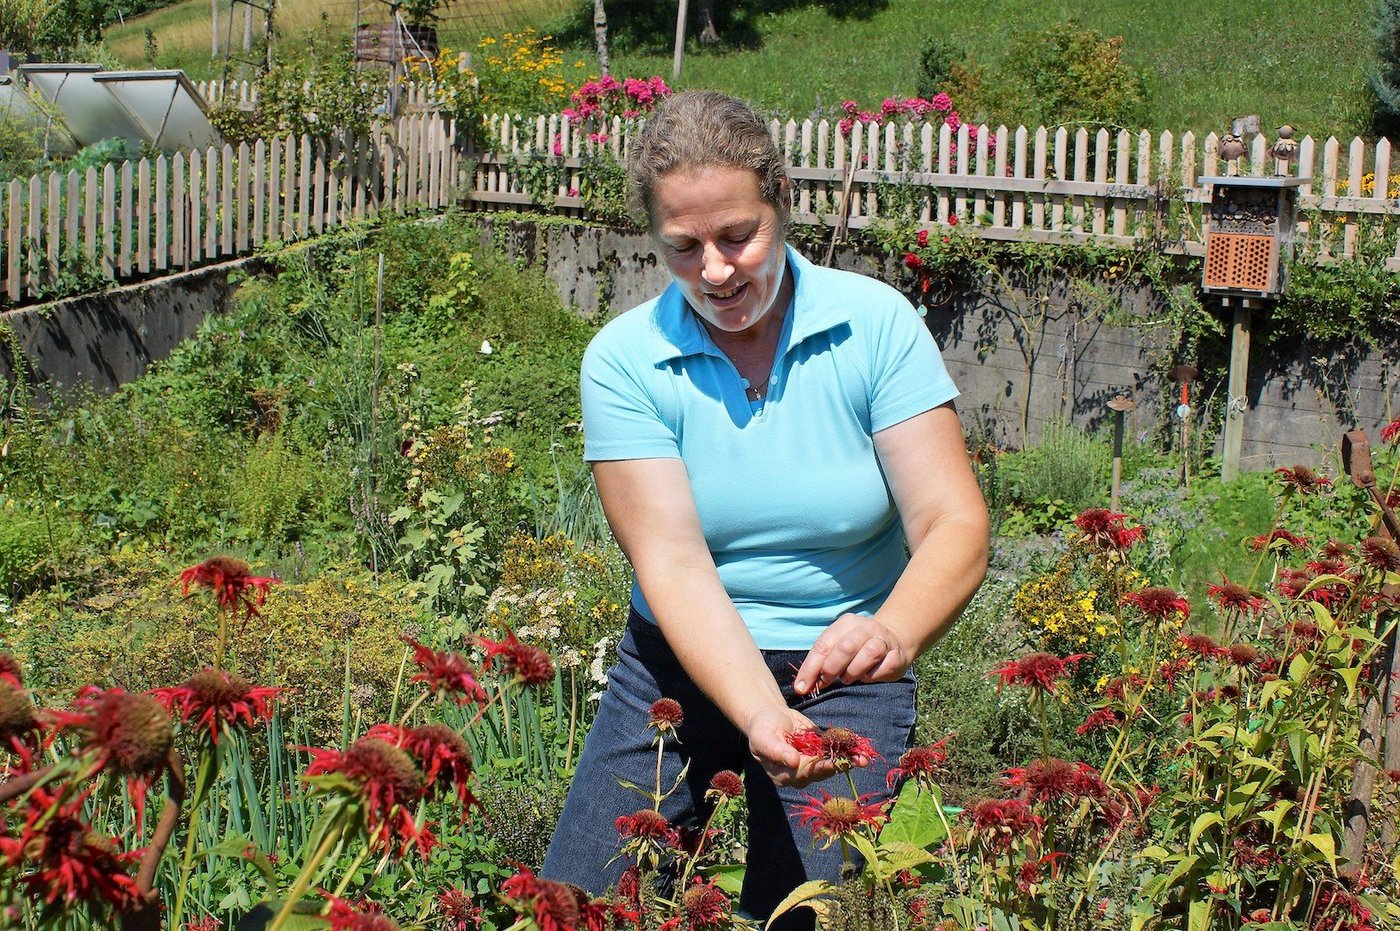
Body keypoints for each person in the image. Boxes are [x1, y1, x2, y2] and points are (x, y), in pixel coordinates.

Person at [540, 90, 989, 925]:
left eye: (737, 236)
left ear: (782, 202)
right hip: (677, 660)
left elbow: (953, 523)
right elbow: (671, 563)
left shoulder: (876, 326)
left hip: (846, 665)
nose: (714, 269)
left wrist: (892, 632)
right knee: (577, 905)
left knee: (810, 912)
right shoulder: (625, 361)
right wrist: (755, 709)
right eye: (683, 246)